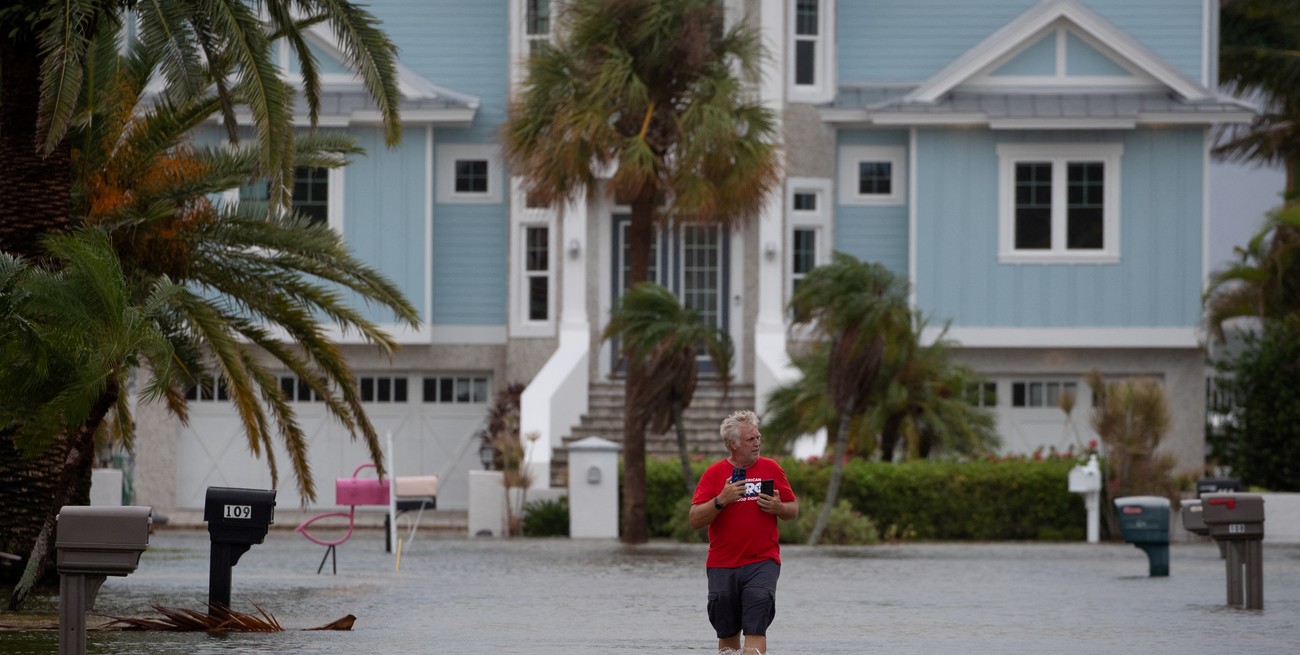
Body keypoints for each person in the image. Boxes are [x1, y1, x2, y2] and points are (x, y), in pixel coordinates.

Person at [689, 410, 798, 655]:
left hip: (763, 562)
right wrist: (721, 500)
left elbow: (793, 510)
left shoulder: (771, 468)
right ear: (732, 444)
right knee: (727, 638)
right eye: (750, 439)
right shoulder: (714, 473)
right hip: (722, 564)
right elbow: (695, 519)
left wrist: (779, 507)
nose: (757, 442)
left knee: (755, 628)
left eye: (758, 437)